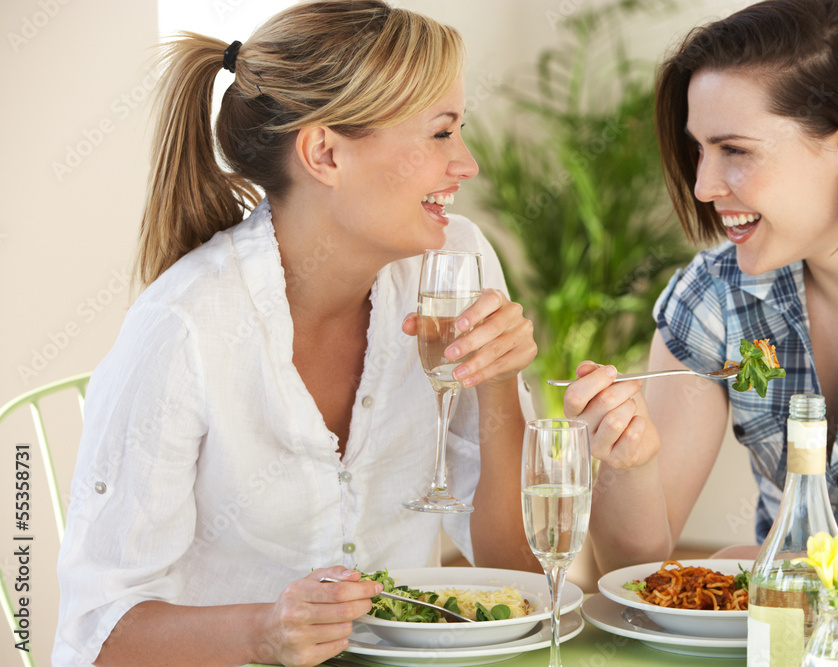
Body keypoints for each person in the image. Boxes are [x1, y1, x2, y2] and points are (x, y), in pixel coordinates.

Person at [54, 2, 539, 665]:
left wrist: (500, 384)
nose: (467, 164)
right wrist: (265, 630)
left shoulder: (455, 264)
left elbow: (518, 575)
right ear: (325, 153)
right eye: (440, 133)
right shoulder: (184, 327)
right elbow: (94, 636)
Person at [569, 0, 838, 624]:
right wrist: (627, 463)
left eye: (734, 149)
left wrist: (748, 563)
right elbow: (636, 571)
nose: (704, 186)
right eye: (699, 150)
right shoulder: (714, 295)